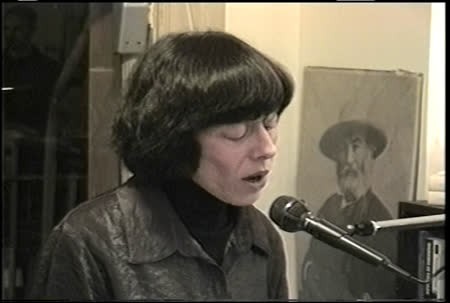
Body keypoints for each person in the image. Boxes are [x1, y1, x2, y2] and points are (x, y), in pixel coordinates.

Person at [27, 30, 294, 300]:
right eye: (236, 131)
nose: (267, 148)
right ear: (176, 137)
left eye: (269, 123)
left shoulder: (261, 237)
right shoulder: (89, 240)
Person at [299, 120, 398, 301]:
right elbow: (310, 265)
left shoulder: (381, 222)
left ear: (371, 153)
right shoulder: (329, 206)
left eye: (356, 147)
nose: (348, 160)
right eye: (342, 150)